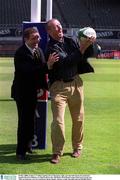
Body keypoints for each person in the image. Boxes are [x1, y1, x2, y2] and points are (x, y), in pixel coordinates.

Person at [45, 18, 98, 164]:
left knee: (79, 118)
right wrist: (81, 48)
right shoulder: (51, 48)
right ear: (49, 31)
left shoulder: (70, 41)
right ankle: (57, 152)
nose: (59, 28)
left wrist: (90, 44)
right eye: (55, 27)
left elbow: (86, 55)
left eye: (60, 25)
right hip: (58, 87)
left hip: (76, 84)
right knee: (58, 121)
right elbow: (67, 62)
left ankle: (77, 147)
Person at [11, 27, 58, 160]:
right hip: (22, 93)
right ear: (26, 39)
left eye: (38, 37)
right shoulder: (21, 53)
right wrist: (47, 65)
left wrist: (48, 86)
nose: (38, 39)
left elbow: (42, 72)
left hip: (32, 92)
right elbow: (29, 71)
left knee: (31, 120)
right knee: (24, 122)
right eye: (34, 38)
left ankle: (28, 145)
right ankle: (20, 152)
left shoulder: (38, 51)